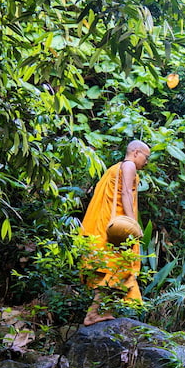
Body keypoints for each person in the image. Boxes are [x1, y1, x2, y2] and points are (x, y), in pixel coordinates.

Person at [79, 140, 151, 326]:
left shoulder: (114, 168)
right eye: (146, 157)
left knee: (114, 269)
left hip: (107, 228)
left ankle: (104, 311)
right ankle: (93, 314)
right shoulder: (129, 166)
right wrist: (132, 223)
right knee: (118, 268)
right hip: (118, 231)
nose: (146, 162)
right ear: (136, 152)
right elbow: (126, 193)